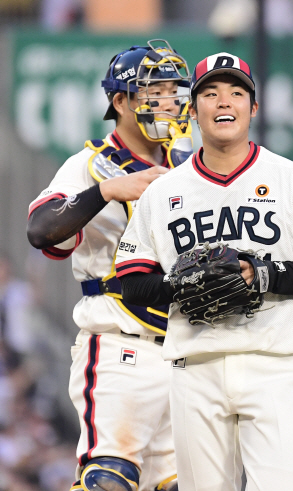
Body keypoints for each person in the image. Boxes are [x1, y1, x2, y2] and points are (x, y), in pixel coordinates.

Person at [115, 52, 293, 491]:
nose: (223, 101)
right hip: (194, 365)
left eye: (235, 92)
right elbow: (130, 280)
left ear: (253, 108)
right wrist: (180, 287)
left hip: (273, 362)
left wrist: (264, 275)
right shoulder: (163, 191)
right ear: (193, 110)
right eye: (210, 93)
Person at [26, 40, 192, 491]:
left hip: (189, 350)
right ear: (120, 100)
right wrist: (108, 190)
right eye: (154, 92)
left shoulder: (193, 168)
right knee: (109, 479)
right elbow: (41, 230)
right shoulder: (93, 164)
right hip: (123, 345)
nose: (169, 103)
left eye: (175, 92)